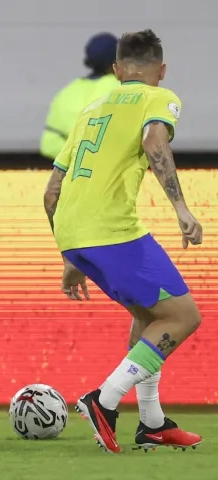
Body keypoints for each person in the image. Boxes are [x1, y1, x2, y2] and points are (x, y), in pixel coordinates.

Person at [43, 29, 203, 453]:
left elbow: (51, 191)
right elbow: (155, 143)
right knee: (184, 316)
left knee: (152, 317)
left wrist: (70, 255)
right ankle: (105, 400)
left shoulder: (89, 109)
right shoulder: (159, 97)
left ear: (117, 71)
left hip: (75, 232)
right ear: (161, 69)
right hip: (112, 230)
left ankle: (151, 422)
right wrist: (181, 209)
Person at [40, 32, 121, 161]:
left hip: (72, 175)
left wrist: (77, 160)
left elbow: (49, 145)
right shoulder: (125, 91)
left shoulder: (66, 93)